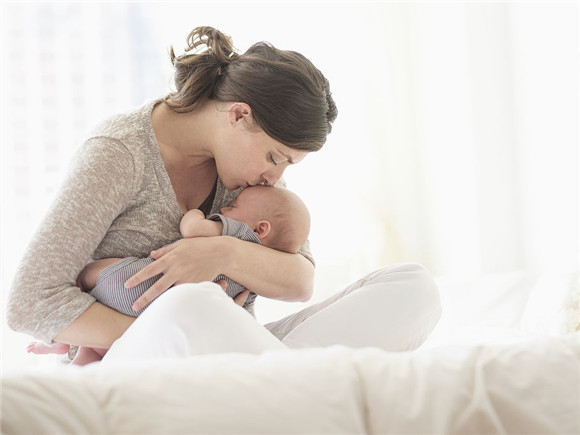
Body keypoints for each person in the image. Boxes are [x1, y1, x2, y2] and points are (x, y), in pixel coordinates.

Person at [8, 26, 441, 364]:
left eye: (288, 164)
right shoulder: (121, 154)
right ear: (239, 115)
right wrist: (174, 330)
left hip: (237, 354)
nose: (276, 176)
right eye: (276, 157)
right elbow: (28, 302)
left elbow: (299, 280)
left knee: (413, 288)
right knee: (192, 305)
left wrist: (221, 255)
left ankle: (271, 387)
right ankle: (289, 388)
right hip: (142, 357)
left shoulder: (247, 176)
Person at [27, 185, 310, 364]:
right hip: (155, 311)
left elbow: (193, 231)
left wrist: (195, 214)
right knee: (96, 356)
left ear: (261, 229)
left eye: (233, 207)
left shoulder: (237, 233)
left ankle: (69, 342)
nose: (225, 208)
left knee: (90, 273)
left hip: (133, 287)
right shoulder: (262, 270)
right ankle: (78, 358)